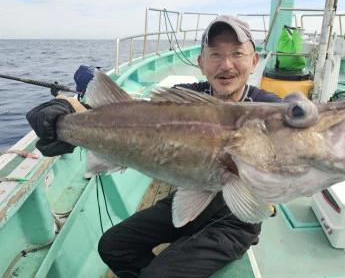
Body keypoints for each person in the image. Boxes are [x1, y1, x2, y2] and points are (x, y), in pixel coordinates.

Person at [26, 15, 282, 277]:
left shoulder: (270, 110)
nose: (226, 64)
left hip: (233, 219)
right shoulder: (186, 97)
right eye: (215, 54)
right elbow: (132, 117)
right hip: (189, 193)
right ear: (202, 63)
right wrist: (68, 112)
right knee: (113, 246)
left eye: (237, 53)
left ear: (253, 61)